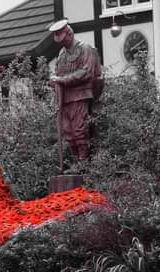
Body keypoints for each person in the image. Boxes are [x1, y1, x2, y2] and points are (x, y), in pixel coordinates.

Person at [47, 19, 104, 170]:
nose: (61, 42)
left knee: (79, 130)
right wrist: (54, 82)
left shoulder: (85, 49)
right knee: (68, 132)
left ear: (70, 34)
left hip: (81, 95)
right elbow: (58, 73)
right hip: (65, 99)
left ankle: (84, 163)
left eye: (62, 38)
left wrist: (62, 80)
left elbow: (86, 73)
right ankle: (76, 163)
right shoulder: (62, 54)